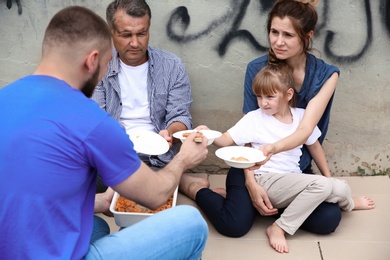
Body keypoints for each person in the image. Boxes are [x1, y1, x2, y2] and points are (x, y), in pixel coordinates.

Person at [0, 6, 209, 259]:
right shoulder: (91, 120)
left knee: (96, 226)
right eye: (107, 62)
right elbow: (155, 196)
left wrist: (100, 202)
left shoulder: (5, 98)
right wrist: (184, 158)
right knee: (191, 222)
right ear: (92, 61)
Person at [180, 0, 342, 239]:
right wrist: (251, 184)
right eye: (274, 32)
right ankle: (194, 188)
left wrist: (329, 185)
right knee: (233, 226)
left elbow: (307, 130)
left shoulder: (326, 75)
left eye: (288, 35)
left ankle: (262, 206)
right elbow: (250, 132)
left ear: (307, 37)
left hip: (293, 169)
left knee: (329, 219)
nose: (278, 41)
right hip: (252, 166)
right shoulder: (257, 69)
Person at [182, 64, 375, 253]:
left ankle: (348, 203)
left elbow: (315, 147)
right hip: (264, 179)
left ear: (288, 94)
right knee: (322, 187)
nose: (263, 102)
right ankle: (279, 227)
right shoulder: (255, 119)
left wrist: (328, 176)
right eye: (259, 96)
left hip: (291, 180)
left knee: (338, 190)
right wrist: (208, 134)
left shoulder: (301, 117)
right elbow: (226, 139)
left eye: (270, 96)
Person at [92, 0, 192, 175]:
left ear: (149, 29)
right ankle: (179, 184)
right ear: (111, 32)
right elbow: (96, 120)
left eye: (141, 33)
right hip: (114, 156)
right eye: (126, 35)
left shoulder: (172, 66)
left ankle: (156, 181)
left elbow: (181, 116)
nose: (135, 43)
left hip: (158, 157)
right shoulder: (98, 67)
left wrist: (169, 134)